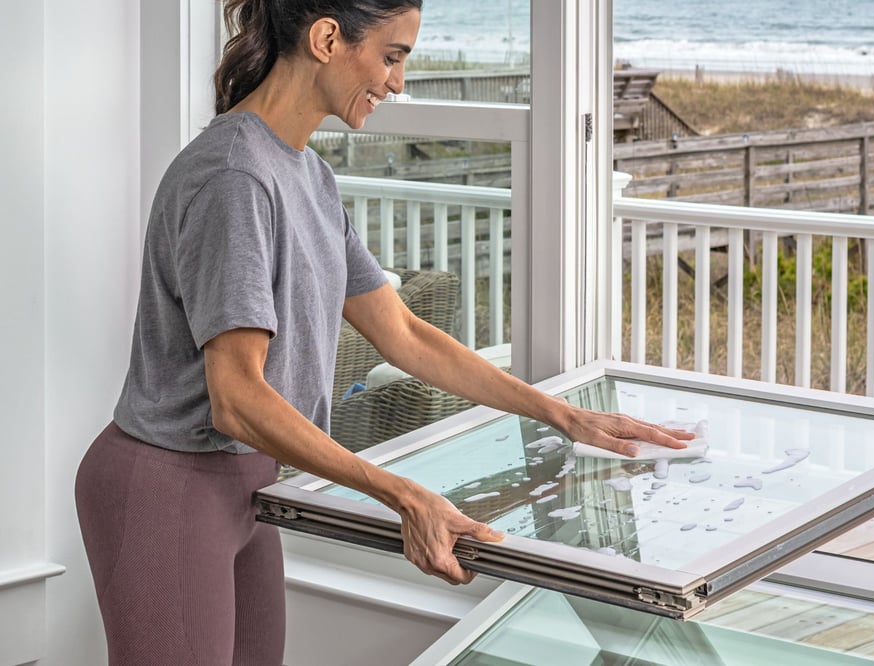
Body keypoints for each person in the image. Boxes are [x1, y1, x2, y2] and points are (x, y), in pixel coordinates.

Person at [74, 1, 695, 664]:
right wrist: (402, 494)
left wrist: (563, 416)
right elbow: (237, 397)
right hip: (168, 485)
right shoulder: (235, 178)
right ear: (325, 38)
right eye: (391, 56)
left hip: (250, 483)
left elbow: (402, 333)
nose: (398, 82)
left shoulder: (307, 174)